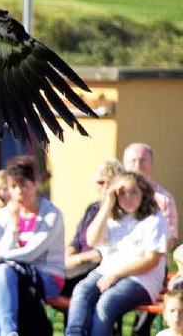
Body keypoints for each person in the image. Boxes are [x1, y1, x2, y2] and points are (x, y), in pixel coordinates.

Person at [0, 155, 65, 336]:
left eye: (24, 186)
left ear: (36, 184)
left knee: (2, 272)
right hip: (15, 275)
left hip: (48, 277)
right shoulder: (7, 214)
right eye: (14, 187)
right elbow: (6, 250)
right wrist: (13, 226)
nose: (19, 192)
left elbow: (31, 253)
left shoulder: (51, 215)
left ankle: (9, 332)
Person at [64, 172, 168, 336]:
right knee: (81, 290)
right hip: (107, 272)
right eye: (121, 193)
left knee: (107, 302)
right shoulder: (112, 217)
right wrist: (107, 205)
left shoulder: (153, 218)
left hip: (142, 279)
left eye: (133, 192)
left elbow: (151, 260)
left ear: (143, 193)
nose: (128, 197)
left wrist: (115, 276)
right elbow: (92, 240)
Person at [123, 143, 178, 336]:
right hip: (120, 265)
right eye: (132, 160)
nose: (137, 165)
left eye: (143, 160)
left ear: (152, 164)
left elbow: (168, 241)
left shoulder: (163, 199)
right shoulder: (118, 199)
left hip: (152, 266)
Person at [62, 159, 124, 296]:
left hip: (97, 268)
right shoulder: (93, 208)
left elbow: (100, 253)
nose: (105, 187)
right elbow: (76, 241)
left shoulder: (122, 212)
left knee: (58, 285)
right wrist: (66, 258)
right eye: (101, 182)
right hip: (75, 266)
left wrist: (77, 259)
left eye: (110, 182)